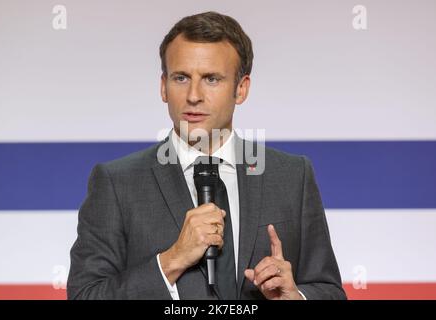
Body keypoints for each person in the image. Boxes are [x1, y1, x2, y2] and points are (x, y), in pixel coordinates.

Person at [67, 11, 346, 300]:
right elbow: (85, 295)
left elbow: (329, 291)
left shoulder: (291, 175)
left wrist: (296, 297)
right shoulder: (117, 182)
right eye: (181, 77)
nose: (193, 95)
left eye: (212, 79)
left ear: (241, 88)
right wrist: (171, 261)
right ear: (163, 86)